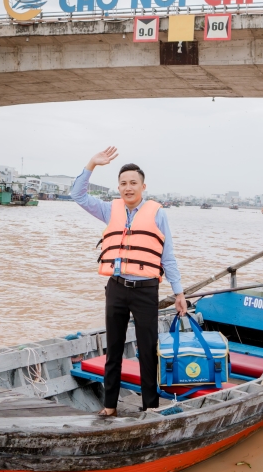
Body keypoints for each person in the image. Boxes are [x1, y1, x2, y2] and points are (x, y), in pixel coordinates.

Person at [71, 146, 187, 417]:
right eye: (123, 183)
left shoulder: (158, 213)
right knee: (114, 348)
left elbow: (167, 256)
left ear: (143, 186)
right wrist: (91, 164)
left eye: (133, 183)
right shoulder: (109, 210)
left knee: (147, 351)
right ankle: (110, 405)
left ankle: (150, 407)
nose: (128, 187)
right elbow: (77, 194)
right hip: (116, 288)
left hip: (146, 290)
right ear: (118, 187)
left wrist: (178, 292)